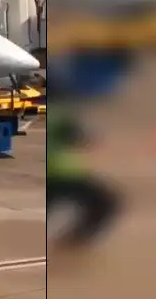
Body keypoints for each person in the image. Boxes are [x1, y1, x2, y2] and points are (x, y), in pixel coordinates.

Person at [46, 104, 122, 250]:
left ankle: (74, 241)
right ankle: (76, 241)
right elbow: (83, 138)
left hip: (64, 175)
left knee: (103, 202)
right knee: (105, 202)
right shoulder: (60, 118)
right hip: (61, 176)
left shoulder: (59, 117)